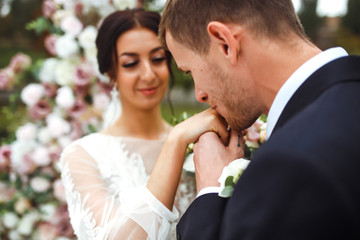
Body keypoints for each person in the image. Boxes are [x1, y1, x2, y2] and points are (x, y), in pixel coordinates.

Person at [150, 0, 360, 239]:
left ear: (225, 43)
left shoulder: (290, 165)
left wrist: (211, 191)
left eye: (189, 70)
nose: (200, 95)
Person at [59, 9, 196, 240]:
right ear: (111, 73)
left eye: (158, 59)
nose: (148, 74)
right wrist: (175, 142)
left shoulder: (198, 142)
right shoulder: (83, 156)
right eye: (131, 63)